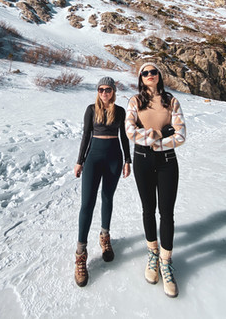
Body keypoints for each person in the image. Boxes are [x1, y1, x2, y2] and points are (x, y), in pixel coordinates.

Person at [125, 62, 186, 298]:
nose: (150, 75)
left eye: (154, 71)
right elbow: (130, 131)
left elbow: (180, 134)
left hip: (167, 161)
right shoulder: (135, 101)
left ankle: (165, 261)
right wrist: (160, 134)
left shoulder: (172, 101)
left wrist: (152, 138)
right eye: (145, 73)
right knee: (148, 209)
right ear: (141, 78)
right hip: (142, 160)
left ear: (160, 75)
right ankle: (152, 253)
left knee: (167, 212)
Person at [74, 77, 131, 287]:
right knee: (87, 204)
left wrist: (127, 160)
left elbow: (125, 138)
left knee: (107, 198)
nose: (104, 92)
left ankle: (105, 237)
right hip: (93, 160)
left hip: (114, 159)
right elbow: (86, 136)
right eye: (100, 89)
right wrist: (79, 162)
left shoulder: (120, 111)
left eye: (107, 89)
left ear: (113, 91)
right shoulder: (91, 109)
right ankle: (81, 253)